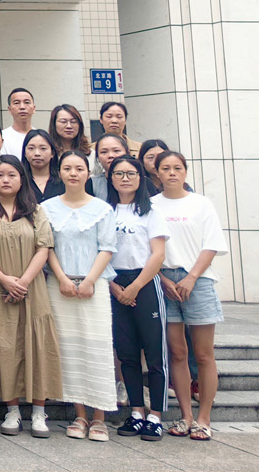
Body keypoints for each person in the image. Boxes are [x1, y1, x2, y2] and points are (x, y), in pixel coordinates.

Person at [0, 156, 60, 439]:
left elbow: (44, 247)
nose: (6, 179)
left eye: (12, 174)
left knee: (37, 345)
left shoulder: (35, 211)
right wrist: (4, 279)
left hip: (32, 288)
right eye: (0, 174)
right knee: (5, 345)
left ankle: (38, 412)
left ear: (22, 179)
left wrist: (22, 282)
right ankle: (11, 410)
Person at [42, 151, 119, 440]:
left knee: (97, 346)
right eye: (67, 168)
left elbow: (107, 247)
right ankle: (80, 415)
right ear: (59, 173)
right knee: (69, 349)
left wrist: (89, 280)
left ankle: (100, 416)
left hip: (94, 286)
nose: (73, 173)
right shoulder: (47, 208)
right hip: (59, 286)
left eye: (79, 168)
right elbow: (46, 247)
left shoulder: (102, 209)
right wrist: (62, 278)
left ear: (88, 173)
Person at [153, 151, 226, 440]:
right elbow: (147, 249)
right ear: (157, 172)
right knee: (177, 352)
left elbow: (211, 244)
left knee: (204, 354)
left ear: (185, 172)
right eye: (165, 168)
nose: (171, 173)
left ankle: (204, 418)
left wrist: (192, 277)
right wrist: (161, 279)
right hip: (164, 282)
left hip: (198, 280)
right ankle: (186, 416)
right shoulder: (151, 205)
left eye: (177, 168)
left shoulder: (201, 204)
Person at [105, 156, 170, 442]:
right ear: (111, 178)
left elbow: (158, 254)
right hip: (114, 282)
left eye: (131, 173)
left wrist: (136, 286)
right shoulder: (105, 211)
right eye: (119, 173)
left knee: (154, 353)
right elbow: (99, 251)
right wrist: (114, 286)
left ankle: (155, 416)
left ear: (140, 177)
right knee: (127, 353)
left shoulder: (151, 211)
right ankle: (136, 412)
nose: (125, 178)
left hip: (144, 283)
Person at [21, 129, 63, 202]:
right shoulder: (19, 181)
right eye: (31, 148)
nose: (37, 153)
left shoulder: (62, 180)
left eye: (43, 148)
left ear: (52, 153)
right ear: (24, 153)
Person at [0, 88, 37, 158]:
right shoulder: (1, 137)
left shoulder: (41, 138)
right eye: (16, 103)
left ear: (34, 108)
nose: (22, 107)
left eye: (27, 102)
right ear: (9, 109)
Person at [91, 134, 130, 199]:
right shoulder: (91, 184)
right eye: (104, 152)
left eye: (116, 151)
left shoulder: (143, 181)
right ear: (98, 157)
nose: (110, 155)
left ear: (127, 153)